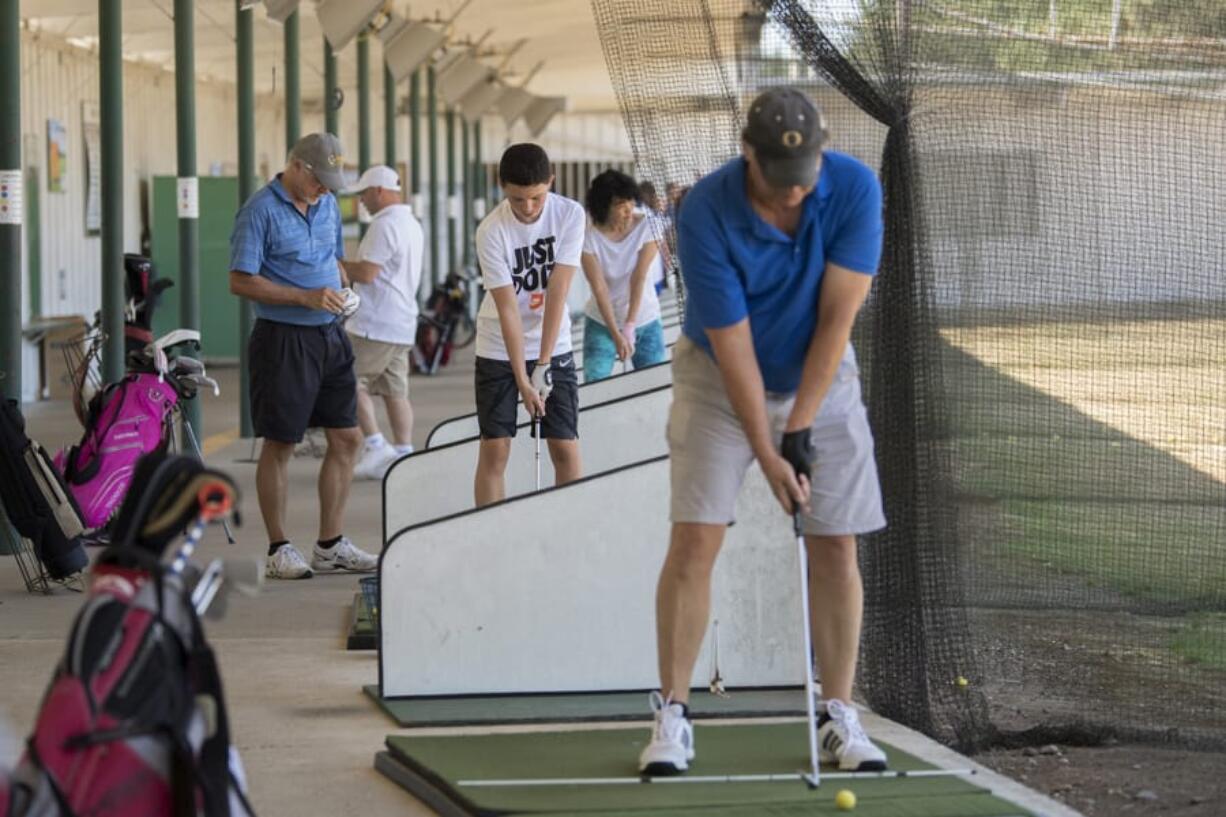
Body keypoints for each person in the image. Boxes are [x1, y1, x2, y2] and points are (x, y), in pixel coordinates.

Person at [638, 88, 889, 775]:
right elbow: (733, 342)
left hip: (822, 373)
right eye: (777, 187)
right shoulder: (707, 209)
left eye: (802, 184)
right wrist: (766, 447)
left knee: (836, 542)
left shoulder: (855, 189)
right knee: (696, 534)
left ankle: (838, 712)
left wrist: (799, 426)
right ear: (745, 153)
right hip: (719, 379)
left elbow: (838, 319)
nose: (791, 200)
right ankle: (673, 713)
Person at [229, 133, 379, 579]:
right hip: (282, 340)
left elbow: (335, 261)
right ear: (296, 166)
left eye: (332, 184)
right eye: (320, 181)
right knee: (281, 442)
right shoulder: (259, 212)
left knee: (349, 438)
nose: (326, 191)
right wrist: (304, 297)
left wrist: (343, 291)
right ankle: (278, 548)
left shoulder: (327, 205)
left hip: (330, 336)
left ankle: (330, 544)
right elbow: (240, 280)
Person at [472, 143, 584, 506]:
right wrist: (523, 378)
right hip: (497, 346)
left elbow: (558, 291)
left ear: (550, 181)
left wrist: (544, 364)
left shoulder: (570, 215)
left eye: (536, 197)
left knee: (565, 446)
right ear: (502, 186)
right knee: (496, 448)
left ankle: (565, 529)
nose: (528, 208)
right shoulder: (491, 230)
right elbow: (507, 309)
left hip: (554, 343)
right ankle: (491, 533)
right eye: (518, 199)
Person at [341, 165, 424, 481]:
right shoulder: (411, 224)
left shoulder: (383, 225)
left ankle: (376, 445)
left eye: (363, 193)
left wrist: (338, 264)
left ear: (378, 190)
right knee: (395, 391)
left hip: (374, 324)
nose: (361, 200)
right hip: (402, 322)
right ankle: (403, 453)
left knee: (346, 382)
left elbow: (367, 273)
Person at [580, 169, 667, 382]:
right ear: (603, 207)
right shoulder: (588, 237)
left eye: (631, 202)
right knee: (595, 383)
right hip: (601, 321)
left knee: (653, 383)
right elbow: (598, 287)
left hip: (645, 318)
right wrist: (615, 332)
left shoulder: (649, 226)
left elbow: (639, 277)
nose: (629, 211)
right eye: (620, 205)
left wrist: (629, 325)